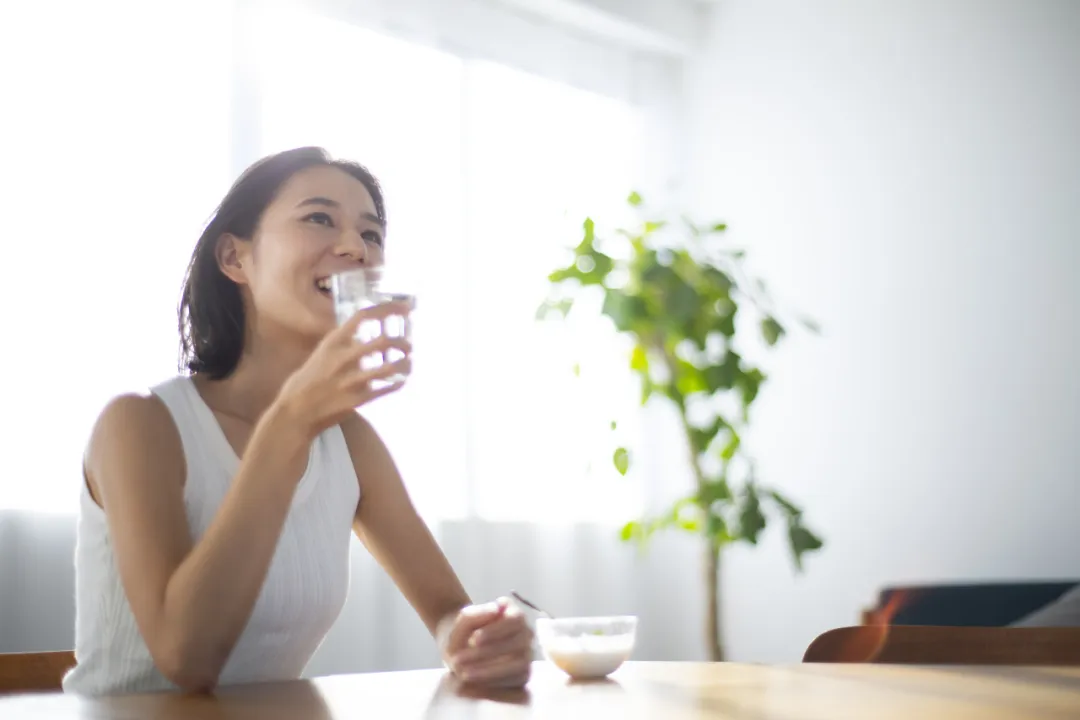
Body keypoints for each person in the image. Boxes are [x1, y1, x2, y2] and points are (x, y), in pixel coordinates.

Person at [62, 147, 534, 696]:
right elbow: (185, 660)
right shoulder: (139, 425)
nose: (356, 247)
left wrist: (472, 639)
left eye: (371, 234)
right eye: (319, 218)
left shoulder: (349, 441)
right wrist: (289, 422)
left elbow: (448, 611)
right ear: (235, 258)